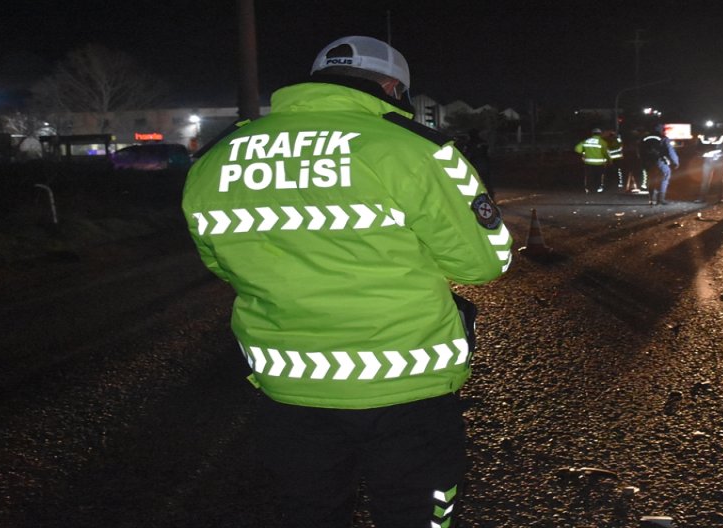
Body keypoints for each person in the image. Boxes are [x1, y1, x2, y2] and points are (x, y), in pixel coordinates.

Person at [181, 35, 512, 528]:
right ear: (390, 87)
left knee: (310, 512)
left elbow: (222, 263)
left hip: (290, 385)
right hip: (407, 384)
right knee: (414, 515)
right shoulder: (412, 150)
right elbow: (484, 264)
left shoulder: (217, 158)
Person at [639, 125, 679, 205]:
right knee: (664, 178)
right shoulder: (663, 138)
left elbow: (640, 151)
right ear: (661, 130)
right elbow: (670, 151)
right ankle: (661, 199)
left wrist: (643, 162)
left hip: (648, 163)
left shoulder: (644, 138)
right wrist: (675, 162)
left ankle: (651, 199)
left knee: (651, 179)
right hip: (660, 162)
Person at [695, 129, 723, 203]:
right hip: (708, 162)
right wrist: (703, 154)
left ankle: (720, 198)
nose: (711, 139)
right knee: (705, 181)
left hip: (720, 163)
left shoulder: (722, 142)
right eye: (709, 138)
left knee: (720, 180)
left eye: (713, 138)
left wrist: (716, 153)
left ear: (716, 137)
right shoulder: (705, 142)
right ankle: (702, 198)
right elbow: (698, 151)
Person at [460, 128, 493, 197]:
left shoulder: (470, 143)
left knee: (474, 182)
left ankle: (477, 197)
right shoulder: (483, 142)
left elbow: (468, 154)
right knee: (486, 182)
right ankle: (490, 197)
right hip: (484, 164)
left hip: (475, 164)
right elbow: (489, 153)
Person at [574, 128, 609, 193]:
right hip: (599, 163)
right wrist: (609, 160)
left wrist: (584, 152)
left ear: (592, 133)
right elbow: (606, 153)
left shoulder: (586, 141)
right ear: (600, 134)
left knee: (589, 176)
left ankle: (588, 189)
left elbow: (577, 149)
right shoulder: (602, 142)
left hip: (588, 163)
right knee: (598, 176)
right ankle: (598, 189)